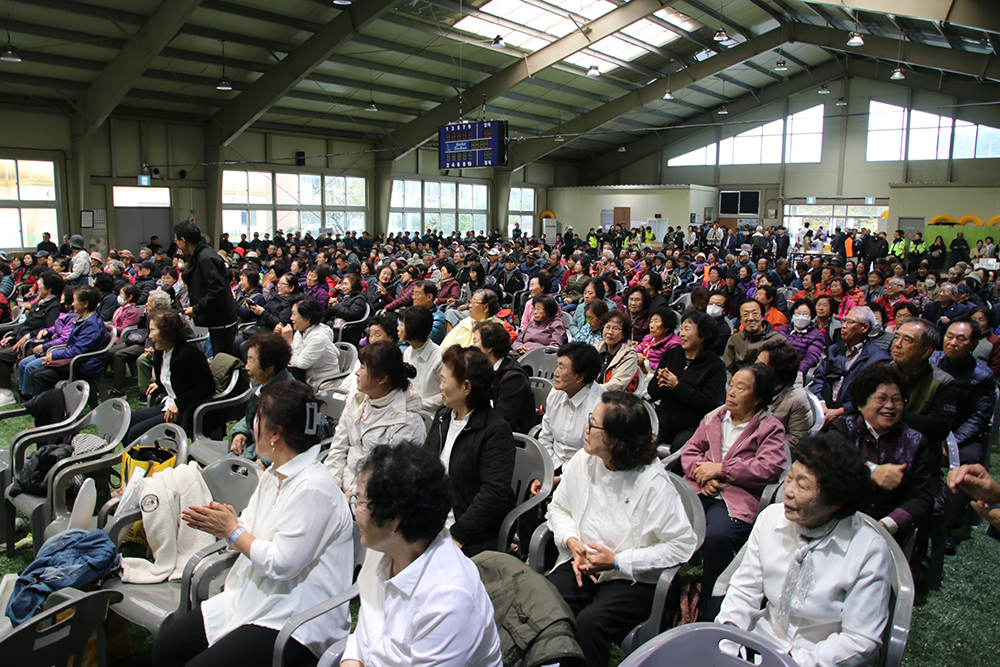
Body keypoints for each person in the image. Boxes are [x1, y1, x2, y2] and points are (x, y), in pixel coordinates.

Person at [157, 381, 355, 667]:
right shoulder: (274, 474)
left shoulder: (314, 489)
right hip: (256, 593)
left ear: (275, 434)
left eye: (258, 418)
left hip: (296, 617)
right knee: (168, 645)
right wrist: (225, 525)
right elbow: (247, 526)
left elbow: (281, 563)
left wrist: (232, 530)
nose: (252, 425)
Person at [546, 391, 697, 667]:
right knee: (545, 601)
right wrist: (572, 542)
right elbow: (558, 509)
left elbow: (681, 545)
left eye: (593, 424)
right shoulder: (583, 461)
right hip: (585, 563)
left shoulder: (652, 482)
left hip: (631, 578)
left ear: (617, 439)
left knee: (590, 625)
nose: (586, 428)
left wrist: (617, 560)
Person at [715, 433, 892, 667]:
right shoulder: (770, 519)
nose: (788, 490)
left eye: (803, 484)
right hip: (762, 645)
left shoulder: (868, 550)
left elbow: (860, 639)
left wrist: (791, 664)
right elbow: (744, 591)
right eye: (790, 477)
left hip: (821, 659)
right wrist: (726, 645)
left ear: (834, 503)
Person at [344, 444, 502, 667]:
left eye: (362, 503)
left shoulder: (448, 599)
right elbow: (363, 635)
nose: (355, 512)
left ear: (395, 519)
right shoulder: (381, 549)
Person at [681, 363, 786, 619]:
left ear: (758, 397)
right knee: (667, 517)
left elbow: (768, 467)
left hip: (737, 497)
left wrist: (722, 469)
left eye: (742, 388)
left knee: (717, 536)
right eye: (732, 385)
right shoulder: (714, 417)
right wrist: (702, 473)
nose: (732, 392)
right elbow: (690, 451)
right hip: (700, 488)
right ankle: (661, 594)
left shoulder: (769, 427)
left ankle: (710, 606)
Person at [424, 345, 515, 556]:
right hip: (431, 519)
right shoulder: (443, 416)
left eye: (445, 381)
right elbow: (424, 465)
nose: (440, 386)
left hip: (468, 531)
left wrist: (457, 534)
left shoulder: (495, 430)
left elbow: (494, 493)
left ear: (466, 387)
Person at [830, 362, 934, 544]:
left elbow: (921, 497)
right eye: (882, 399)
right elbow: (827, 459)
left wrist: (886, 526)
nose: (890, 406)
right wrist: (871, 470)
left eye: (897, 399)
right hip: (838, 521)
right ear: (861, 403)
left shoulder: (914, 441)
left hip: (887, 531)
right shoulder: (844, 429)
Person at [324, 341, 426, 497]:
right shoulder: (356, 399)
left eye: (363, 368)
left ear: (382, 379)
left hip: (374, 501)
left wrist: (351, 496)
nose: (357, 372)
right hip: (342, 488)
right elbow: (339, 447)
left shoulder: (408, 423)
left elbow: (391, 479)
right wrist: (330, 486)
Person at [127, 310, 215, 442]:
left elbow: (207, 387)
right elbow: (172, 377)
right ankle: (137, 461)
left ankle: (148, 461)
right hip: (167, 404)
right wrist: (159, 383)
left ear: (167, 332)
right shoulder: (159, 353)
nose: (149, 336)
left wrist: (180, 404)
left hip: (187, 410)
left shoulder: (190, 355)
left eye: (152, 330)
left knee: (136, 433)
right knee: (126, 422)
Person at [647, 309, 726, 449]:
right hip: (663, 419)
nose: (681, 334)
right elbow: (652, 391)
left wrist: (677, 388)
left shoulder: (715, 366)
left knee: (681, 447)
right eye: (681, 329)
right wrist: (662, 384)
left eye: (687, 329)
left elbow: (709, 404)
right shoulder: (671, 355)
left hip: (692, 425)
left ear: (703, 335)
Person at [19, 285, 109, 399]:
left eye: (75, 300)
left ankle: (52, 412)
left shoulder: (91, 325)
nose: (72, 304)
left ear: (85, 304)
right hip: (77, 361)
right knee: (37, 372)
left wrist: (53, 355)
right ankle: (46, 408)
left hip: (84, 365)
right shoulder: (84, 319)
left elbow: (77, 351)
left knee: (39, 375)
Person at [809, 306, 890, 427]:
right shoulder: (834, 349)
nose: (844, 326)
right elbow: (819, 378)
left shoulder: (878, 358)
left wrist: (842, 411)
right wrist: (821, 403)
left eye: (850, 322)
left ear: (865, 328)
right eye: (844, 321)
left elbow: (871, 396)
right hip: (823, 409)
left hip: (852, 417)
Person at [174, 220, 238, 357]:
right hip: (215, 319)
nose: (177, 244)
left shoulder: (206, 258)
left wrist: (197, 309)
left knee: (224, 364)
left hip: (222, 321)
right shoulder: (197, 256)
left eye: (176, 240)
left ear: (183, 240)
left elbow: (217, 291)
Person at [537, 341, 605, 472]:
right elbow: (546, 436)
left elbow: (596, 458)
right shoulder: (555, 393)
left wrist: (563, 477)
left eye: (561, 368)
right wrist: (548, 469)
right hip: (552, 463)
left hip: (583, 472)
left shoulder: (600, 407)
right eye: (557, 366)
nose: (555, 373)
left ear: (579, 377)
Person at [0, 270, 63, 407]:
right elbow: (26, 324)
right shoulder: (39, 303)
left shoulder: (54, 306)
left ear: (49, 288)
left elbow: (49, 330)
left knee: (2, 356)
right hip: (20, 338)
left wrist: (29, 336)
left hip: (33, 343)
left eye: (40, 283)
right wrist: (12, 335)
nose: (37, 286)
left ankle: (6, 393)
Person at [229, 333, 293, 463]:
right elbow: (254, 417)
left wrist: (265, 462)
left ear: (269, 368)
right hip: (254, 449)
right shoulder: (260, 386)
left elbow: (291, 442)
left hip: (273, 462)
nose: (246, 367)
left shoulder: (289, 397)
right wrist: (241, 432)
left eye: (251, 360)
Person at [756, 338, 814, 449]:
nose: (754, 367)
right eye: (756, 361)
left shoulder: (797, 399)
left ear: (777, 370)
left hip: (771, 454)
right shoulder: (751, 384)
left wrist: (756, 446)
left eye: (761, 365)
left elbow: (797, 440)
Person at [278, 295, 340, 392]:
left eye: (294, 314)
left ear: (307, 318)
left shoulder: (319, 337)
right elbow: (294, 356)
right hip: (306, 378)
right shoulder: (301, 331)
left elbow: (300, 364)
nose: (291, 318)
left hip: (323, 385)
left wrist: (289, 341)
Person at [722, 299, 785, 378]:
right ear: (741, 320)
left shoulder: (778, 340)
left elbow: (783, 372)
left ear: (762, 316)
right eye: (746, 314)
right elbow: (726, 368)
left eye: (755, 313)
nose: (751, 318)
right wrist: (733, 383)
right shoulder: (734, 340)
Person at [399, 306, 444, 412]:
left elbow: (448, 394)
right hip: (409, 411)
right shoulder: (408, 352)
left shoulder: (440, 357)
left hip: (433, 414)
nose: (398, 328)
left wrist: (419, 404)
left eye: (402, 325)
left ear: (413, 328)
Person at [777, 299, 826, 377]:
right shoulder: (782, 329)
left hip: (794, 372)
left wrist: (796, 371)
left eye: (805, 314)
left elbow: (811, 358)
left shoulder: (817, 335)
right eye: (798, 313)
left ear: (811, 316)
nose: (801, 317)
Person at [595, 310, 639, 392]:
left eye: (615, 329)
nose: (610, 332)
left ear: (624, 334)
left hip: (614, 399)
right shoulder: (597, 347)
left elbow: (617, 384)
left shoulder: (629, 355)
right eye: (607, 327)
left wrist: (590, 391)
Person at [327, 272, 368, 347]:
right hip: (334, 325)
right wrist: (330, 306)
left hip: (348, 330)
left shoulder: (359, 298)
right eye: (343, 284)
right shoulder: (343, 296)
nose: (343, 287)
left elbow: (352, 314)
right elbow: (329, 313)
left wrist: (335, 306)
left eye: (346, 284)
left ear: (353, 285)